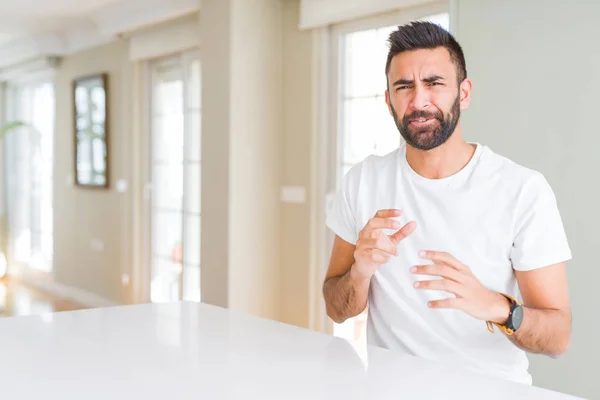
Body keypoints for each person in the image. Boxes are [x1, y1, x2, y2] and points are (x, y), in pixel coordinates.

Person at [322, 21, 572, 386]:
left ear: (464, 93)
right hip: (387, 390)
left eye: (434, 83)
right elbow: (336, 308)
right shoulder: (362, 182)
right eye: (404, 87)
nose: (419, 101)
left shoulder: (523, 190)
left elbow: (558, 336)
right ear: (389, 100)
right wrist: (360, 271)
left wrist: (496, 307)